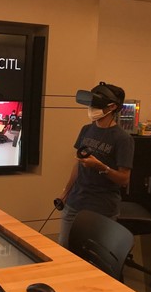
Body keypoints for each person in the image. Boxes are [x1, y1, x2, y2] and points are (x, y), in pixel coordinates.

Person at [57, 82, 134, 248]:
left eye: (95, 105)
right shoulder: (86, 130)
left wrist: (101, 167)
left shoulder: (123, 139)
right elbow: (78, 165)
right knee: (64, 248)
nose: (91, 108)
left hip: (101, 208)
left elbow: (124, 179)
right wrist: (65, 193)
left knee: (92, 255)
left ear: (112, 107)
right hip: (75, 202)